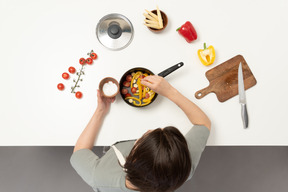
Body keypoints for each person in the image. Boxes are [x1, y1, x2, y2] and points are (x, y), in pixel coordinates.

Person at [70, 75, 211, 192]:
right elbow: (203, 123)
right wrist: (169, 91)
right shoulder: (182, 166)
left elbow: (80, 151)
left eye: (145, 137)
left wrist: (100, 111)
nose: (149, 131)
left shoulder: (99, 177)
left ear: (133, 159)